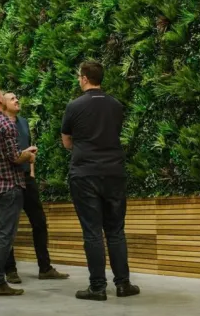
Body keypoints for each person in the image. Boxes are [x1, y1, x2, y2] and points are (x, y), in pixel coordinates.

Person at [61, 61, 140, 301]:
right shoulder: (116, 105)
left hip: (85, 173)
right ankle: (123, 284)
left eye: (78, 76)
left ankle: (97, 287)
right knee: (115, 230)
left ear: (84, 78)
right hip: (114, 172)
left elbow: (66, 142)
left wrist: (84, 148)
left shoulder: (74, 106)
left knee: (92, 231)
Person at [1, 92, 69, 283]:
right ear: (3, 103)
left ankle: (45, 268)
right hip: (9, 180)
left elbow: (30, 149)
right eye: (12, 98)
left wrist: (31, 172)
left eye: (17, 97)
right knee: (9, 226)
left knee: (39, 222)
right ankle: (10, 270)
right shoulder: (0, 124)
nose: (17, 100)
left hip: (26, 178)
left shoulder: (23, 122)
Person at [0, 87, 37, 297]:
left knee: (1, 232)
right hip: (11, 185)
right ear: (0, 99)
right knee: (5, 236)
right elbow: (14, 157)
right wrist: (28, 155)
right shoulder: (5, 123)